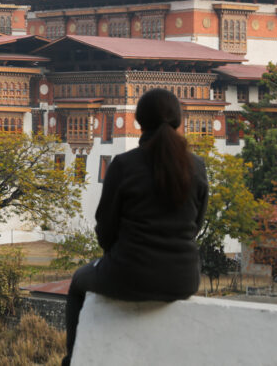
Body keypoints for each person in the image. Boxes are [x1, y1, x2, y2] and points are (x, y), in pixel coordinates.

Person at [61, 88, 209, 365]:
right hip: (183, 279)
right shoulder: (197, 166)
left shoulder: (124, 164)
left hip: (128, 275)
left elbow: (105, 230)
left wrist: (121, 254)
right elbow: (195, 225)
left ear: (140, 122)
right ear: (178, 121)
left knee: (79, 281)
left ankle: (74, 360)